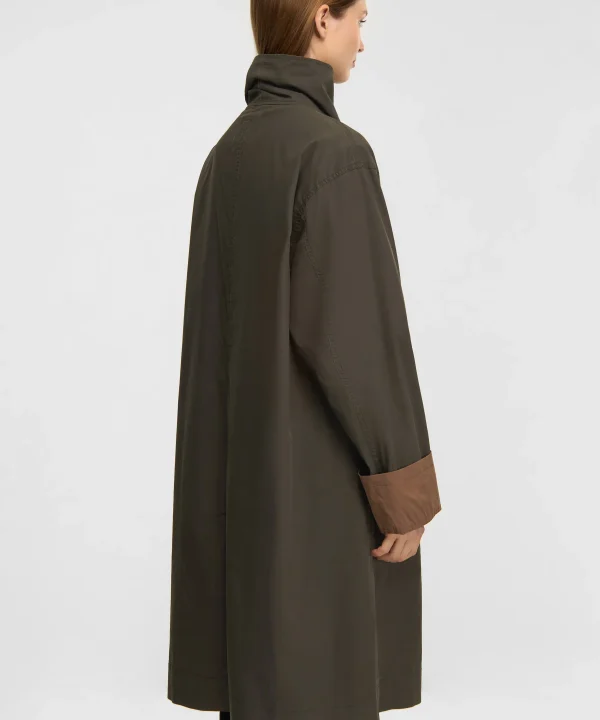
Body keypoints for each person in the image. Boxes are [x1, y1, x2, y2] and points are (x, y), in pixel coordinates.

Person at [167, 1, 442, 718]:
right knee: (322, 685)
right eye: (360, 20)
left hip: (239, 499)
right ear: (323, 17)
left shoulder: (227, 156)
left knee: (257, 690)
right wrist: (405, 492)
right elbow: (361, 339)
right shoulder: (332, 154)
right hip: (317, 497)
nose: (362, 41)